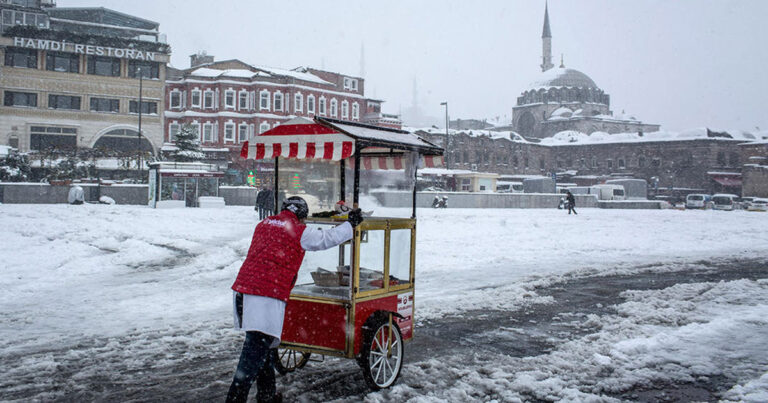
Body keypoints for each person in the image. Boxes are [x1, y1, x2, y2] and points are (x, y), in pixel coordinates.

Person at [226, 196, 364, 403]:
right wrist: (350, 224)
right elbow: (326, 238)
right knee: (253, 354)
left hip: (243, 293)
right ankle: (235, 399)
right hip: (265, 297)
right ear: (301, 215)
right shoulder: (298, 230)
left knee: (263, 348)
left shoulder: (263, 224)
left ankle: (267, 395)